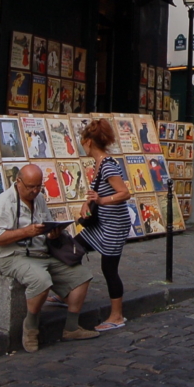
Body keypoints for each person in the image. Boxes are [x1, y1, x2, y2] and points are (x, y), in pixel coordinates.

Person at [0, 163, 97, 352]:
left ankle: (71, 327)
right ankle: (30, 327)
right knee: (41, 280)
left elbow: (44, 226)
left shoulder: (39, 199)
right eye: (31, 187)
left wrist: (52, 233)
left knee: (81, 276)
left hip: (40, 252)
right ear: (18, 182)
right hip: (12, 255)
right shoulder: (4, 202)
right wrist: (25, 232)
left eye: (38, 186)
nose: (35, 191)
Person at [78, 118, 133, 331]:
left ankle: (116, 316)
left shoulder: (108, 166)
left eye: (82, 140)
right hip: (101, 223)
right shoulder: (100, 163)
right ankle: (67, 294)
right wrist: (88, 202)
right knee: (73, 248)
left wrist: (101, 201)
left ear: (89, 142)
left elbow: (124, 193)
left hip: (113, 225)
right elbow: (97, 189)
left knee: (109, 268)